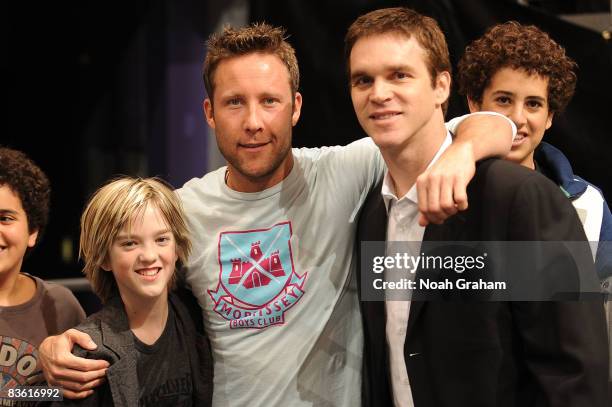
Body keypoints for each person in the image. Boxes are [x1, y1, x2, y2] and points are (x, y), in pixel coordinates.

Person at [39, 23, 516, 406]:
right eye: (234, 103)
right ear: (208, 112)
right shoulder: (181, 209)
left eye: (269, 101)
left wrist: (461, 154)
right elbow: (132, 297)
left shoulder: (343, 171)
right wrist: (58, 345)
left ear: (295, 108)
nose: (253, 121)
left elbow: (498, 125)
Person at [348, 8, 609, 407]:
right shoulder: (371, 214)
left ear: (441, 87)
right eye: (363, 79)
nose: (379, 93)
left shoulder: (523, 197)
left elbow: (575, 374)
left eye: (399, 74)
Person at [456, 20, 612, 320]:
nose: (517, 118)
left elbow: (605, 320)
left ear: (550, 116)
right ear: (474, 103)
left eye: (534, 104)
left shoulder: (588, 205)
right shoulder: (442, 195)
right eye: (504, 100)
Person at [52, 177, 212, 406]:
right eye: (129, 243)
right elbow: (36, 395)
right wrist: (42, 369)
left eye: (161, 239)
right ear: (104, 257)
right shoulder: (89, 352)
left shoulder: (196, 314)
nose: (148, 255)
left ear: (177, 248)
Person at [0, 147, 85, 405]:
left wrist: (15, 393)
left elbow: (71, 393)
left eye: (5, 218)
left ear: (33, 231)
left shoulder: (60, 306)